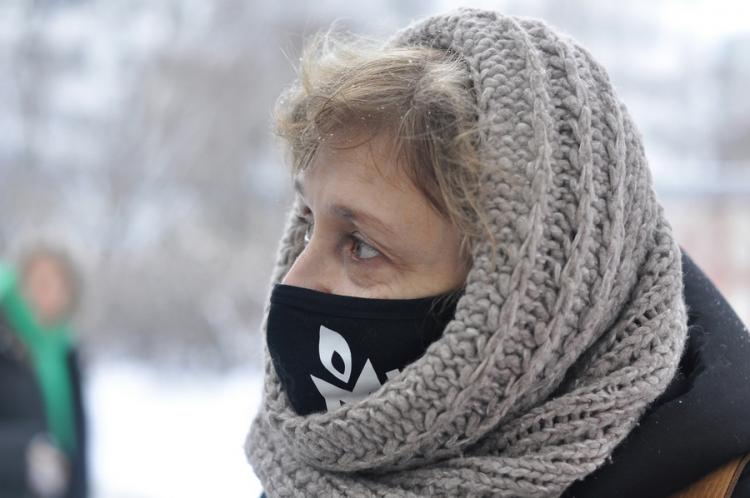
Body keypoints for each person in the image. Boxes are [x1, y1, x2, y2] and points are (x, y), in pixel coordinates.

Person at [245, 7, 750, 497]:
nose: (293, 281)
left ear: (529, 307)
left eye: (360, 246)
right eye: (308, 224)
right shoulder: (303, 471)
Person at [0, 245, 88, 498]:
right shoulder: (6, 347)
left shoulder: (65, 351)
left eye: (60, 284)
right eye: (41, 283)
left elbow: (76, 440)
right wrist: (25, 456)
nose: (50, 294)